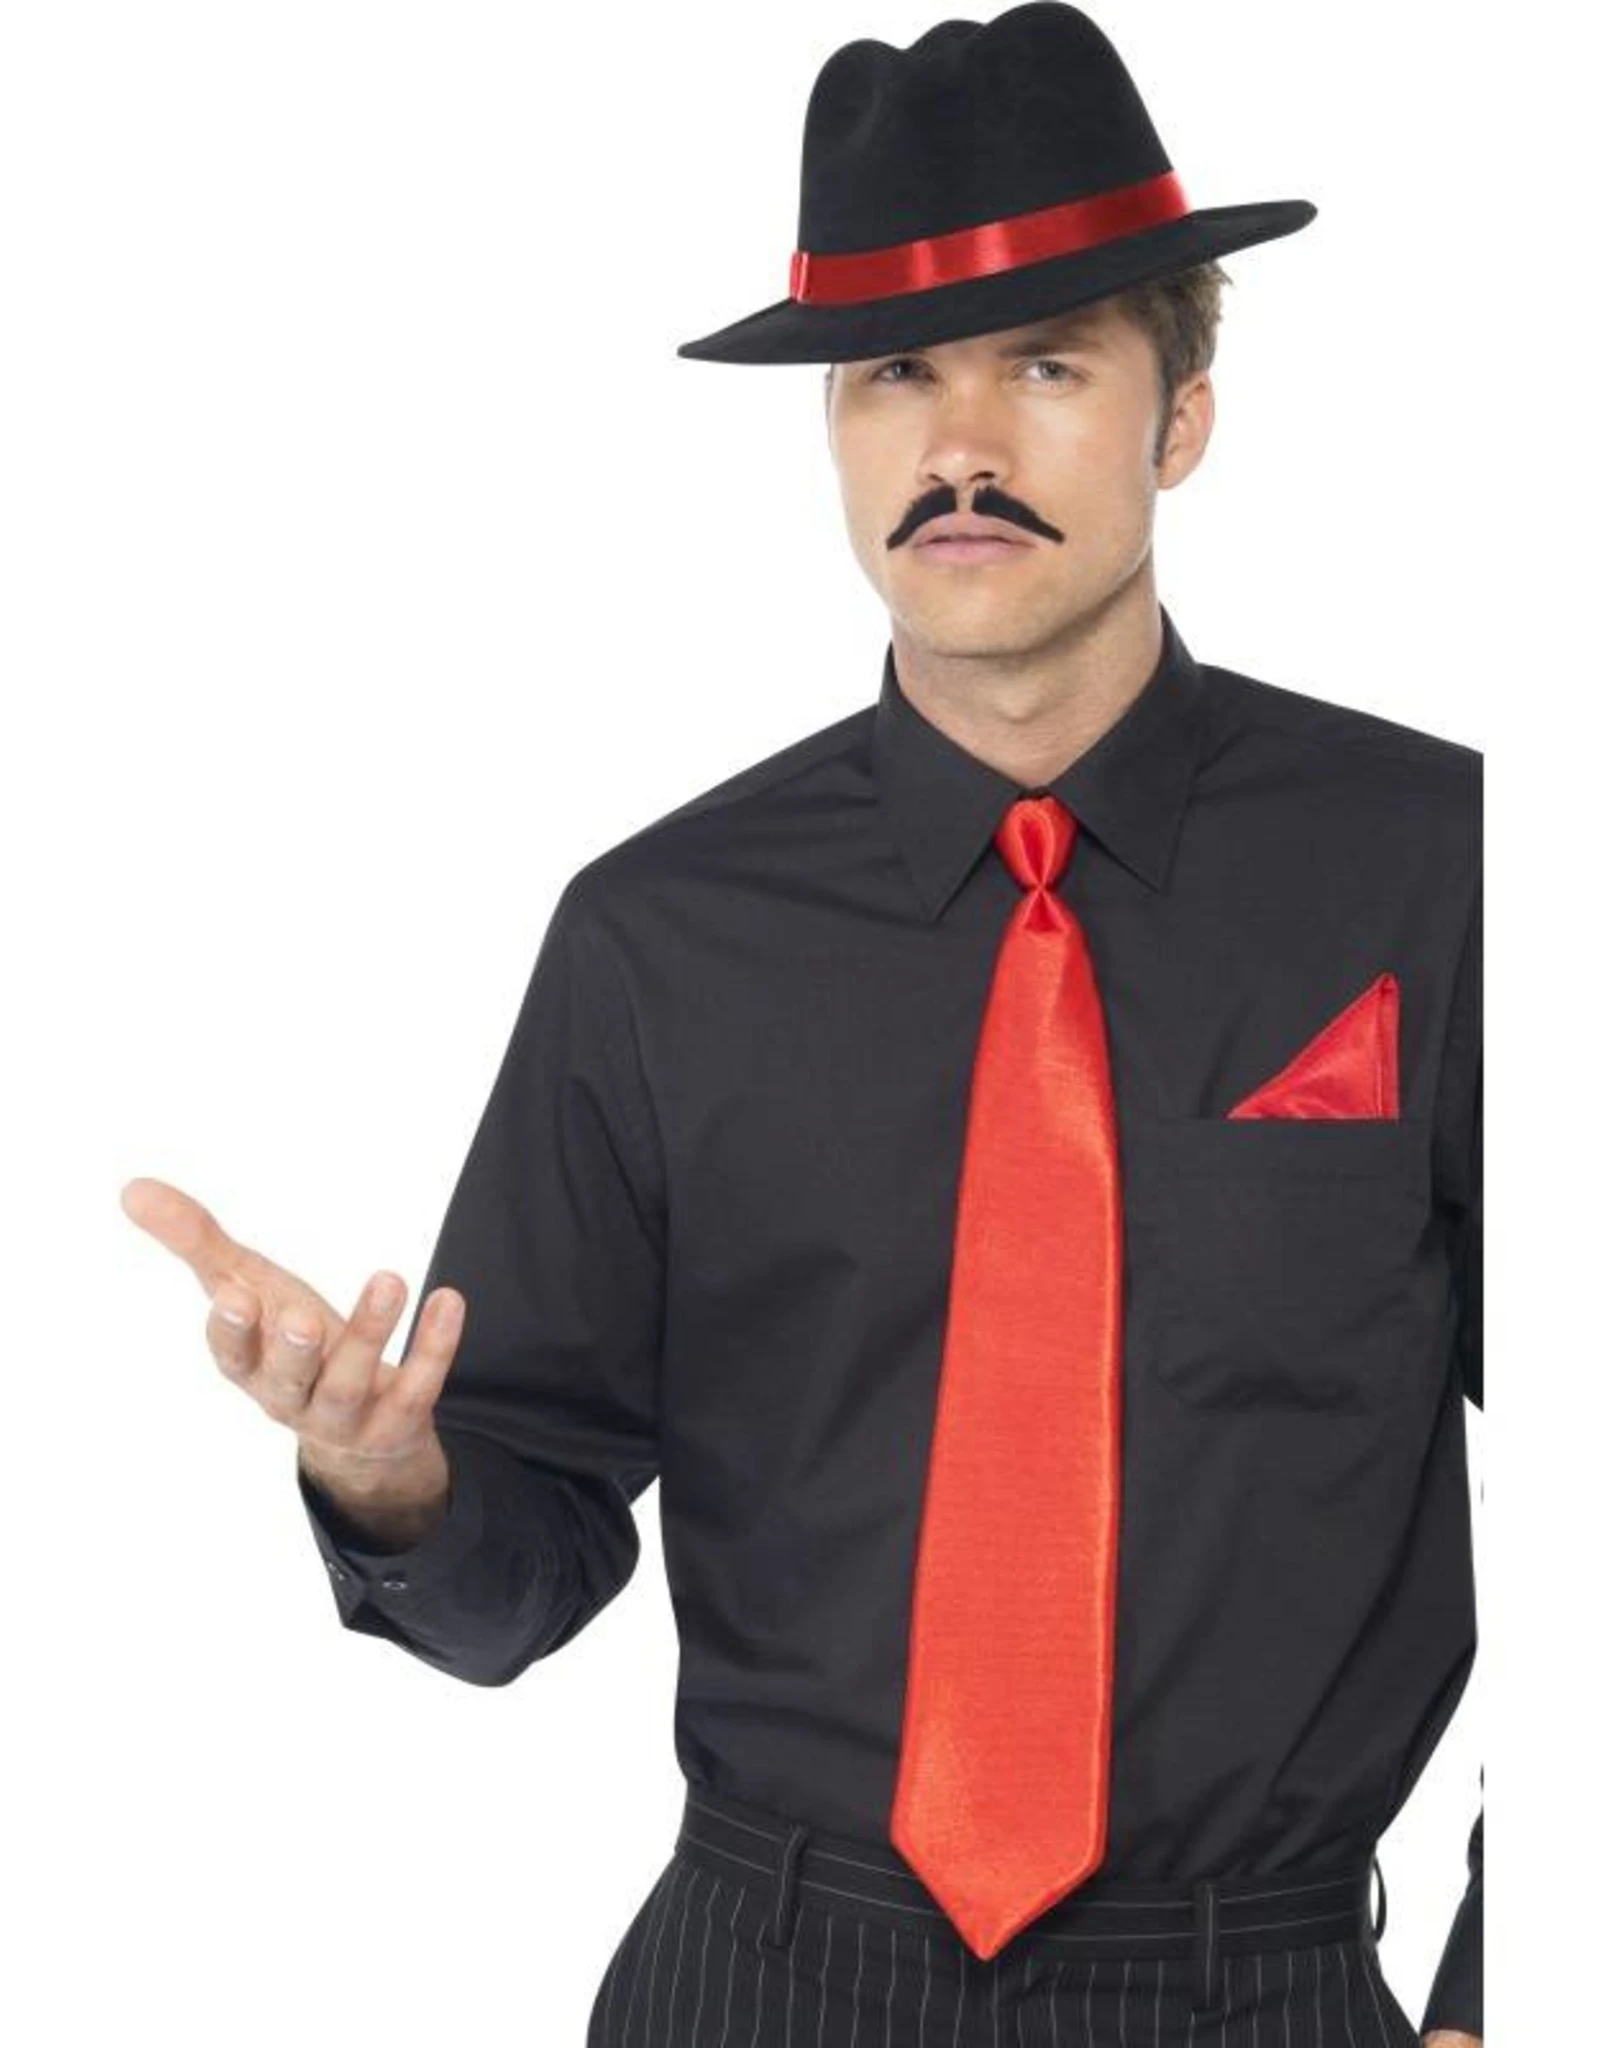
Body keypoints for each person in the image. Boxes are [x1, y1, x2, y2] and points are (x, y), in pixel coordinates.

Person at [122, 5, 1483, 2043]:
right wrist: (394, 1484)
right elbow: (514, 1570)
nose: (960, 447)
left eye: (1045, 365)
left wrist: (1500, 1982)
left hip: (1255, 1987)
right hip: (758, 1979)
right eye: (894, 377)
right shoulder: (657, 938)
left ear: (1182, 415)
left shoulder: (1452, 873)